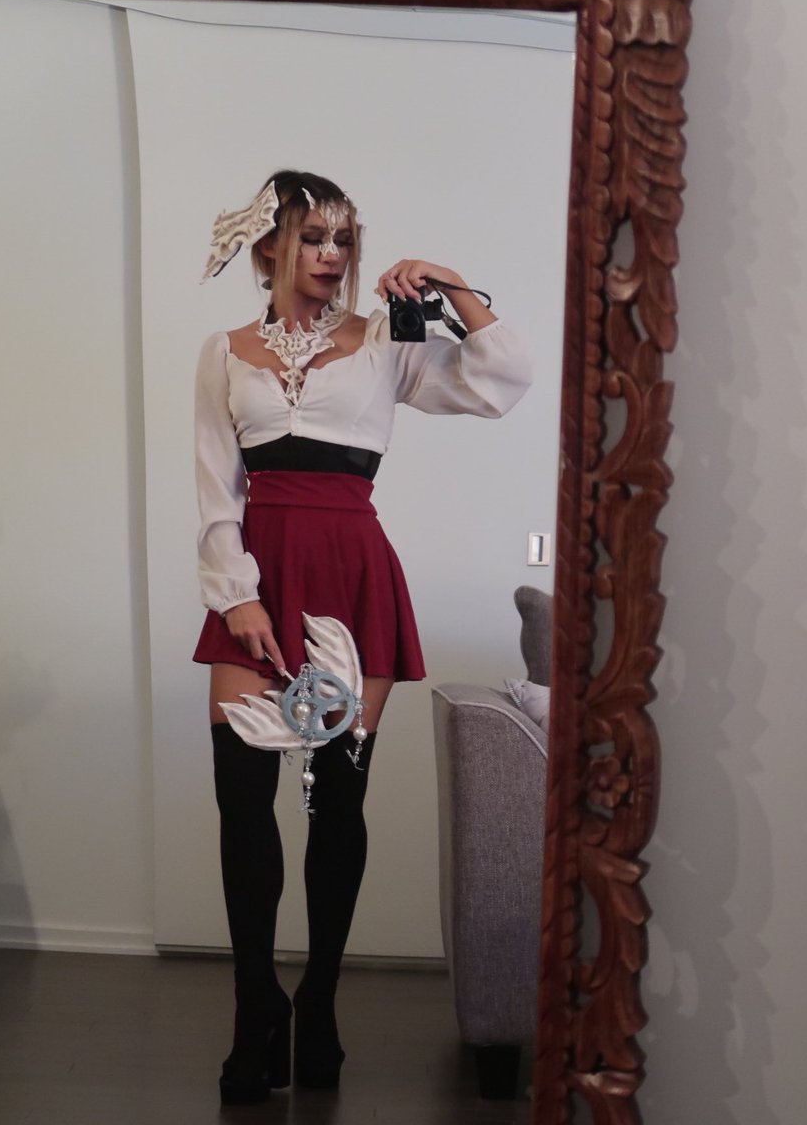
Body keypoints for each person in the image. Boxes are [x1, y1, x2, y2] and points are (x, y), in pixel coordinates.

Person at [192, 169, 531, 1105]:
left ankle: (321, 1003)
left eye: (345, 239)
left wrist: (451, 284)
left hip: (352, 579)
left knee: (335, 803)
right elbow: (215, 490)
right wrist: (236, 597)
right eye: (313, 237)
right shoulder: (223, 353)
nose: (333, 255)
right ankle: (254, 1004)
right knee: (241, 801)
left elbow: (501, 382)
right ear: (269, 246)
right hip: (258, 581)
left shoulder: (388, 343)